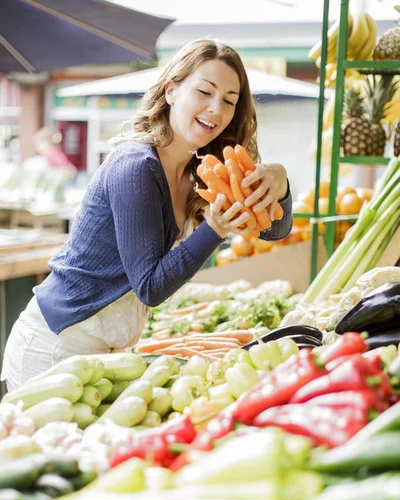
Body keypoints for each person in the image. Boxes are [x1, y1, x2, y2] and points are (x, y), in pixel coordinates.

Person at [1, 39, 293, 392]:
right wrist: (214, 228)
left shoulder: (200, 172)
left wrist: (281, 181)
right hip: (56, 345)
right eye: (204, 91)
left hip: (107, 353)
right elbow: (150, 287)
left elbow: (274, 232)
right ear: (171, 90)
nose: (215, 109)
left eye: (229, 101)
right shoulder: (135, 167)